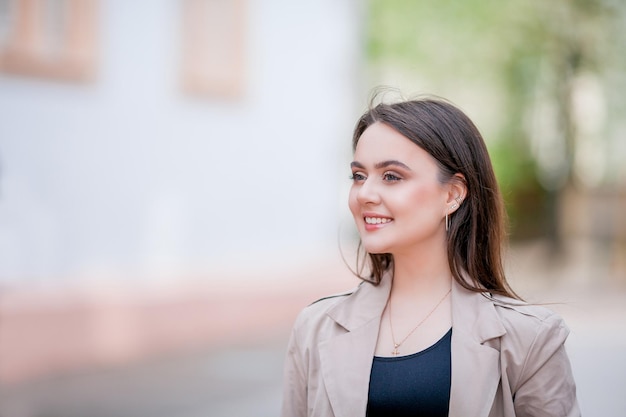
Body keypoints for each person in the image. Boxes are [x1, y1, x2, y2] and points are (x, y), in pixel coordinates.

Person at [280, 95, 580, 417]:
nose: (364, 194)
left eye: (391, 176)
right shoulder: (315, 329)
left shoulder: (530, 339)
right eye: (358, 176)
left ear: (452, 194)